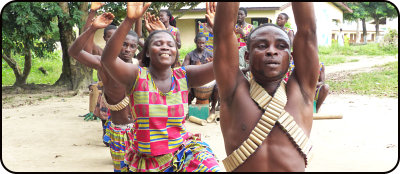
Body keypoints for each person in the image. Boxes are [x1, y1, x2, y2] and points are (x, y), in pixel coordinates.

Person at [100, 2, 221, 172]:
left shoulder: (184, 76)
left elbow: (224, 64)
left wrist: (220, 31)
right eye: (158, 43)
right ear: (147, 52)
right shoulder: (136, 75)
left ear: (175, 52)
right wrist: (129, 20)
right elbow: (108, 60)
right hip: (147, 161)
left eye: (170, 44)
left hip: (181, 155)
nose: (165, 46)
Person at [213, 2, 319, 172]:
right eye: (262, 46)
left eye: (281, 46)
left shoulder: (302, 90)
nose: (272, 51)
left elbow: (308, 31)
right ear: (247, 55)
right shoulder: (233, 91)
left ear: (291, 57)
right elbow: (223, 34)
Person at [68, 12, 140, 172]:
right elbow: (74, 52)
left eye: (132, 46)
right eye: (124, 44)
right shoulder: (104, 65)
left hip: (141, 130)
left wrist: (137, 19)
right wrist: (92, 27)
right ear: (117, 42)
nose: (127, 49)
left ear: (136, 49)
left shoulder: (140, 67)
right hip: (120, 131)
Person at [182, 33, 218, 116]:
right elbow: (183, 69)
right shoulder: (189, 55)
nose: (201, 45)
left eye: (203, 43)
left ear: (205, 43)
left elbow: (217, 68)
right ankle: (188, 108)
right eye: (199, 43)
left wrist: (211, 63)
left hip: (207, 80)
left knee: (217, 87)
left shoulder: (210, 54)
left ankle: (213, 108)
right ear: (195, 42)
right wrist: (194, 66)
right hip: (194, 81)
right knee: (187, 89)